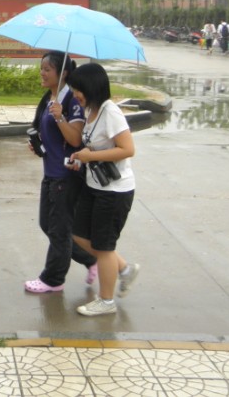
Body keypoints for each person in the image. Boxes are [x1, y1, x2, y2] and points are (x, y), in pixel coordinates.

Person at [66, 63, 140, 317]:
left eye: (79, 89)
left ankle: (106, 301)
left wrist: (90, 155)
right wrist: (81, 157)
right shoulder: (91, 111)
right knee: (79, 234)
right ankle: (124, 269)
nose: (76, 94)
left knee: (104, 246)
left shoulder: (110, 112)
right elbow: (92, 146)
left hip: (115, 191)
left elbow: (127, 149)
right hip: (94, 184)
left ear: (92, 87)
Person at [24, 52, 97, 294]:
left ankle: (53, 279)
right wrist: (38, 145)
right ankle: (90, 259)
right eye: (41, 68)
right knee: (48, 224)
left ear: (63, 72)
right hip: (51, 170)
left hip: (65, 175)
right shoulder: (50, 98)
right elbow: (48, 135)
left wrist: (60, 117)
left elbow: (75, 138)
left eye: (47, 69)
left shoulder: (70, 101)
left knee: (58, 229)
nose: (42, 73)